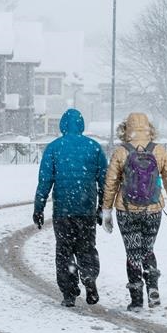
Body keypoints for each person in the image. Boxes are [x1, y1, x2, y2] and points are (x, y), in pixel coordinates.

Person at [101, 112, 167, 311]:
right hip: (153, 209)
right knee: (148, 250)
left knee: (133, 253)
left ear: (126, 128)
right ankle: (153, 288)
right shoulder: (159, 151)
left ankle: (136, 299)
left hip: (126, 210)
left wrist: (106, 211)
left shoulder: (121, 152)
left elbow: (110, 183)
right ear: (149, 127)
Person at [33, 108, 108, 307]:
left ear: (62, 125)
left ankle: (69, 292)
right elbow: (105, 181)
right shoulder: (94, 147)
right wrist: (102, 207)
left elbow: (45, 181)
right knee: (86, 247)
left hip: (62, 210)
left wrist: (39, 208)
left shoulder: (54, 148)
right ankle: (89, 278)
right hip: (86, 209)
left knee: (64, 250)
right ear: (81, 125)